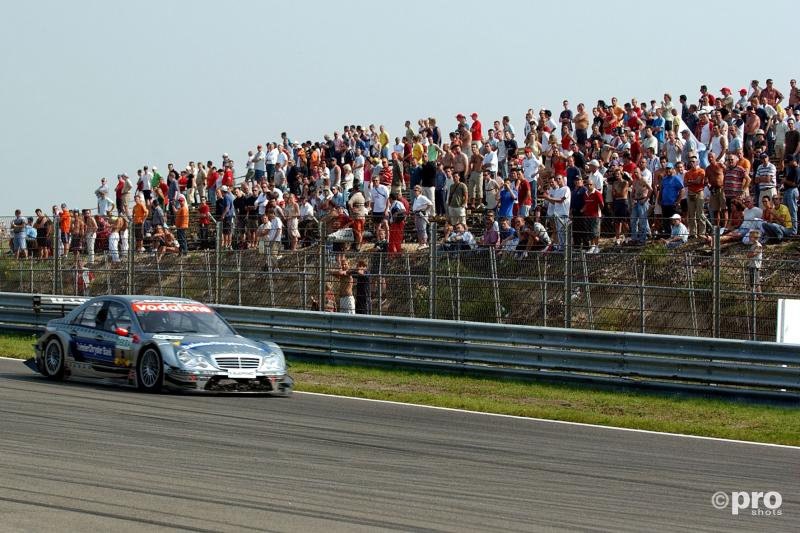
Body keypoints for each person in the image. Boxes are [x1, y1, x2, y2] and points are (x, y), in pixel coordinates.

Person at [582, 178, 604, 253]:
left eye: (590, 184)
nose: (589, 186)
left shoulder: (597, 193)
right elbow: (586, 203)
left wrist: (599, 213)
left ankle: (597, 247)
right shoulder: (585, 193)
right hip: (587, 215)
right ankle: (592, 246)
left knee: (596, 232)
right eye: (587, 184)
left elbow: (602, 204)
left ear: (593, 185)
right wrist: (583, 209)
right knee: (590, 232)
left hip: (595, 215)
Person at [747, 230, 762, 296]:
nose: (749, 238)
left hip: (755, 266)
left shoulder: (758, 246)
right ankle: (755, 295)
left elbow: (752, 254)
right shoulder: (753, 245)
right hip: (752, 265)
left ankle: (758, 295)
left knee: (755, 282)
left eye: (751, 237)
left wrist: (750, 254)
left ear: (755, 237)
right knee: (753, 282)